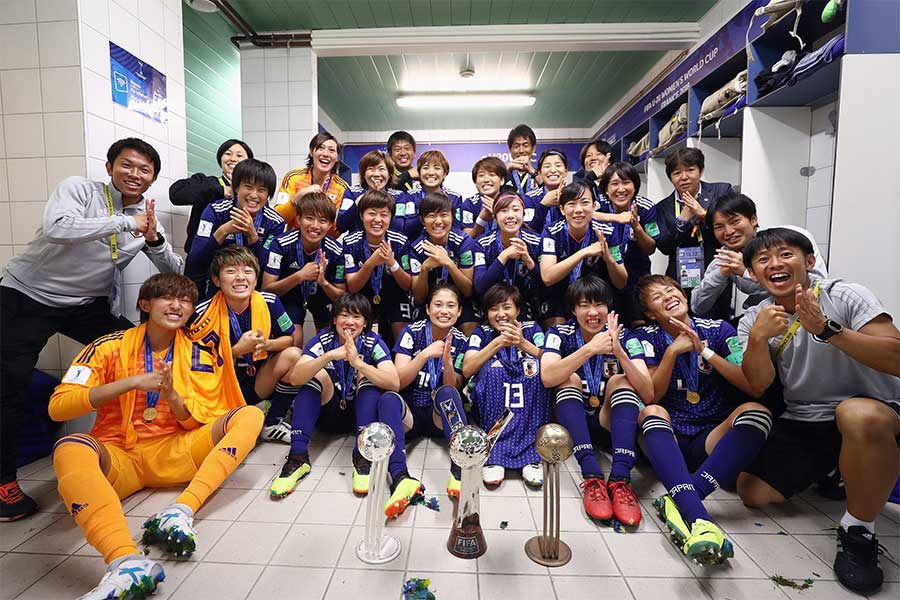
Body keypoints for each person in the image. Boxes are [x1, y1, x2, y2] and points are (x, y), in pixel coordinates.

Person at [0, 138, 182, 521]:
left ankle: (129, 444)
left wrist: (153, 237)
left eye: (144, 170)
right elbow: (57, 227)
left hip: (86, 306)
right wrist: (125, 222)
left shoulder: (145, 216)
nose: (135, 174)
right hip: (25, 296)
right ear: (110, 167)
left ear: (152, 179)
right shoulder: (79, 190)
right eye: (127, 165)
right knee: (9, 387)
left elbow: (173, 267)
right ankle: (3, 483)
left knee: (137, 354)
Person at [50, 273, 263, 599]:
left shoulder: (199, 353)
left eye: (186, 300)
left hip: (177, 451)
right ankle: (124, 561)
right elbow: (59, 407)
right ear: (145, 304)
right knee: (69, 448)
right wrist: (131, 382)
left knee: (250, 415)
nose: (177, 305)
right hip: (121, 456)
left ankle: (179, 512)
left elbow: (196, 423)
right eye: (168, 297)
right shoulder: (107, 348)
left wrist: (173, 398)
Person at [736, 228, 900, 595]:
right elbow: (758, 382)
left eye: (785, 254)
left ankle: (858, 529)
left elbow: (896, 357)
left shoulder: (845, 295)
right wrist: (758, 340)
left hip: (872, 409)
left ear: (809, 261)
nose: (774, 264)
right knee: (753, 491)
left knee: (857, 415)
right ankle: (837, 471)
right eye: (762, 260)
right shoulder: (756, 318)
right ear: (752, 274)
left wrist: (827, 330)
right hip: (807, 418)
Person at [624, 274, 771, 565]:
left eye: (671, 290)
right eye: (657, 297)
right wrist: (671, 353)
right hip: (670, 436)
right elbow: (652, 395)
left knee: (758, 412)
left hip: (711, 435)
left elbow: (749, 383)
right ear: (651, 314)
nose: (668, 296)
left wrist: (704, 350)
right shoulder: (643, 338)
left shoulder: (719, 329)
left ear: (684, 294)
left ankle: (683, 498)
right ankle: (698, 517)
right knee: (651, 412)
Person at [540, 277, 652, 524]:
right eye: (584, 305)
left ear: (609, 307)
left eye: (599, 304)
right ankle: (591, 477)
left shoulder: (626, 336)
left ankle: (621, 480)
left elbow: (647, 392)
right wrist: (590, 349)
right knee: (568, 378)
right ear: (573, 310)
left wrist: (619, 351)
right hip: (571, 425)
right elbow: (547, 377)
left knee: (620, 381)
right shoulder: (559, 333)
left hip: (609, 422)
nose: (593, 312)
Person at [271, 293, 399, 499]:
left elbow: (394, 382)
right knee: (313, 375)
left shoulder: (373, 342)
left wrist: (359, 364)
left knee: (368, 379)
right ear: (334, 319)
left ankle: (362, 456)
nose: (349, 322)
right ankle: (297, 457)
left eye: (357, 317)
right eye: (344, 315)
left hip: (360, 418)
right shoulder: (322, 340)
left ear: (365, 322)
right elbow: (295, 378)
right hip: (327, 413)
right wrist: (329, 356)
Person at [195, 246, 301, 445]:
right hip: (218, 388)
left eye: (247, 271)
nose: (240, 277)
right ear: (217, 280)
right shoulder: (203, 311)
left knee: (294, 354)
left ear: (255, 277)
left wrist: (267, 344)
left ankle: (272, 422)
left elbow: (289, 338)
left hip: (255, 380)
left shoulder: (269, 301)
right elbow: (194, 363)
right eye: (231, 271)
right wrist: (236, 351)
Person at [690, 193, 826, 324]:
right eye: (719, 227)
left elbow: (817, 285)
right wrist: (721, 273)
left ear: (753, 219)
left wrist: (746, 273)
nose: (729, 231)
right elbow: (697, 306)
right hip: (762, 317)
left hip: (807, 313)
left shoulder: (789, 238)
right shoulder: (726, 258)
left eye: (735, 221)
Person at [462, 284, 548, 487]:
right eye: (494, 308)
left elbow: (552, 362)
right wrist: (498, 342)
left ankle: (531, 456)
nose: (500, 314)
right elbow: (467, 368)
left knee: (535, 369)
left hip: (528, 407)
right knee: (493, 369)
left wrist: (523, 343)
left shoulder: (532, 328)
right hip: (493, 406)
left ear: (518, 310)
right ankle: (493, 452)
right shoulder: (481, 332)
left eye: (506, 307)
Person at [392, 283, 470, 501]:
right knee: (388, 398)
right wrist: (424, 355)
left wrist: (447, 363)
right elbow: (398, 381)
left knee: (448, 394)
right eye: (438, 304)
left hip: (439, 417)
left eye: (450, 306)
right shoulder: (412, 332)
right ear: (427, 309)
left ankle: (459, 471)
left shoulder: (462, 342)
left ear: (459, 311)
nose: (444, 311)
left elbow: (453, 388)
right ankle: (399, 477)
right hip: (411, 415)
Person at [184, 158, 285, 292]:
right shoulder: (215, 211)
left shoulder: (275, 222)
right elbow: (195, 260)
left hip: (252, 287)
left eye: (261, 190)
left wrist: (253, 237)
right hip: (215, 282)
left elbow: (268, 269)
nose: (254, 195)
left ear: (268, 194)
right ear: (236, 187)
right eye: (248, 187)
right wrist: (223, 231)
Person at [261, 191, 347, 346]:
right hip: (290, 296)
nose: (315, 226)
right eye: (309, 218)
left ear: (329, 225)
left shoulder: (337, 250)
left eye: (322, 220)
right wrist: (300, 276)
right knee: (294, 338)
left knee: (329, 342)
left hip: (321, 297)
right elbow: (267, 290)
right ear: (298, 219)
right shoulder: (280, 244)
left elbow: (342, 296)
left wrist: (324, 283)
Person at [654, 148, 735, 306]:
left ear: (701, 170)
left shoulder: (721, 191)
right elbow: (664, 246)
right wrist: (682, 222)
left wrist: (703, 213)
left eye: (690, 170)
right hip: (679, 276)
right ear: (670, 177)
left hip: (718, 270)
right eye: (677, 173)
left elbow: (732, 227)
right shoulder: (663, 207)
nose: (684, 177)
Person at [540, 181, 627, 327]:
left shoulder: (607, 231)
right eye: (571, 204)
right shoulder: (551, 231)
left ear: (593, 207)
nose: (578, 210)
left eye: (584, 202)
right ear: (562, 209)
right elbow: (547, 277)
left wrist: (609, 259)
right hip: (560, 294)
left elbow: (621, 282)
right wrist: (584, 252)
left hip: (595, 295)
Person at [343, 189, 415, 342]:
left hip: (394, 296)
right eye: (372, 213)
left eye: (384, 215)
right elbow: (352, 287)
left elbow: (407, 285)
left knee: (402, 324)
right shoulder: (350, 242)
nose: (377, 219)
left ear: (390, 218)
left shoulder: (400, 241)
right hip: (362, 297)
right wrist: (371, 263)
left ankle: (401, 362)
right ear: (362, 216)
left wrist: (392, 263)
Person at [595, 162, 660, 325]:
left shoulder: (646, 207)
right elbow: (586, 214)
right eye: (615, 184)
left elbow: (651, 248)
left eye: (626, 182)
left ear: (635, 186)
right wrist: (615, 218)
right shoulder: (600, 206)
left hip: (637, 276)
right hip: (605, 277)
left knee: (640, 325)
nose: (621, 189)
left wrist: (636, 227)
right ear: (606, 189)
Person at [409, 192, 479, 335]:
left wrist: (449, 264)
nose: (438, 221)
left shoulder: (463, 242)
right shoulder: (416, 248)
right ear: (422, 220)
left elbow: (467, 290)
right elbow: (419, 298)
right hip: (431, 303)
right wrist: (424, 269)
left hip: (459, 300)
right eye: (431, 216)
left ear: (453, 217)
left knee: (470, 322)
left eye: (444, 215)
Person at [169, 138, 253, 252]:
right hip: (203, 255)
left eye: (239, 156)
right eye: (228, 154)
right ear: (220, 159)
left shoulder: (254, 191)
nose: (233, 159)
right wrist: (222, 190)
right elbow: (176, 194)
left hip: (242, 257)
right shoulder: (205, 182)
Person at [473, 191, 543, 321]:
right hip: (494, 309)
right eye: (504, 211)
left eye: (516, 210)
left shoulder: (537, 242)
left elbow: (544, 287)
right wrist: (503, 256)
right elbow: (479, 287)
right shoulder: (482, 244)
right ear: (494, 216)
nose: (510, 215)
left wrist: (528, 260)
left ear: (523, 213)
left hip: (526, 307)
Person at [276, 132, 350, 236]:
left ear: (337, 157)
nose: (325, 154)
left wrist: (325, 206)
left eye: (331, 150)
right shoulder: (293, 178)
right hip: (292, 245)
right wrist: (297, 198)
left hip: (324, 247)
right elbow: (278, 219)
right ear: (311, 152)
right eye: (321, 148)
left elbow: (336, 233)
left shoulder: (342, 188)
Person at [393, 150, 463, 240]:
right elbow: (405, 228)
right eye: (426, 168)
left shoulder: (454, 198)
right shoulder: (409, 196)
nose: (431, 172)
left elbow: (456, 229)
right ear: (419, 172)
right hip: (414, 247)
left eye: (437, 168)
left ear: (445, 173)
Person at [336, 150, 399, 234]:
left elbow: (400, 227)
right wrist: (358, 202)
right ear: (363, 174)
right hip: (356, 245)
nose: (376, 174)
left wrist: (382, 197)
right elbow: (341, 226)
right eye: (371, 169)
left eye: (381, 169)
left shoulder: (398, 196)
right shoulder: (352, 193)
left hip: (389, 245)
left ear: (390, 174)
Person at [459, 156, 508, 238]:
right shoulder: (469, 204)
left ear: (502, 180)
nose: (486, 180)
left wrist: (498, 215)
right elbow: (467, 238)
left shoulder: (510, 202)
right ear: (475, 181)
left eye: (492, 174)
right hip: (478, 249)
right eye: (481, 175)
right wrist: (481, 220)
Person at [524, 148, 568, 230]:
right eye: (547, 166)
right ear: (540, 172)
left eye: (558, 165)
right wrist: (543, 205)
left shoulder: (574, 196)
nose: (553, 170)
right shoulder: (529, 198)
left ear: (566, 171)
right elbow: (527, 230)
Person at [573, 139, 614, 203]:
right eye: (588, 155)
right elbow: (574, 196)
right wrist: (592, 176)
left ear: (609, 159)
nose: (593, 158)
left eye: (598, 154)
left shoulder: (617, 182)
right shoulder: (580, 185)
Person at [505, 124, 540, 196]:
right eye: (516, 146)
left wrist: (533, 173)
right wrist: (504, 171)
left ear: (533, 149)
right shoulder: (503, 176)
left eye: (525, 145)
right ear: (510, 149)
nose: (521, 150)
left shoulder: (540, 175)